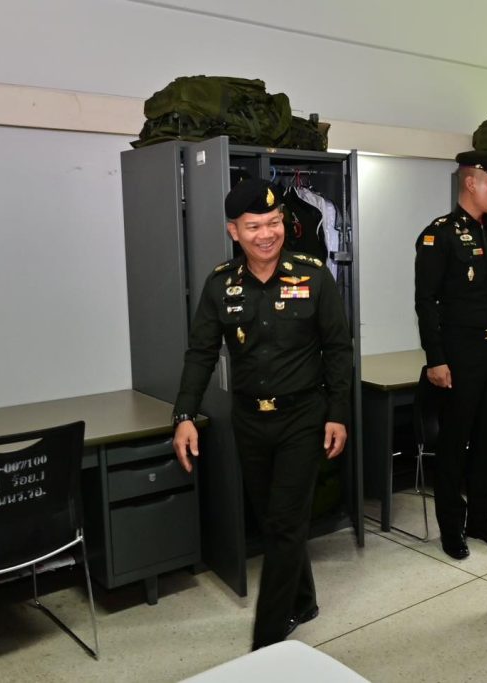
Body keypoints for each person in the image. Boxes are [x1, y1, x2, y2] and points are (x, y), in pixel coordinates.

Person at [171, 178, 353, 650]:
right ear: (234, 231)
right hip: (249, 421)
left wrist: (337, 413)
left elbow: (337, 349)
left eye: (274, 223)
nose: (267, 234)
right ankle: (304, 600)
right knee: (274, 520)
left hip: (303, 417)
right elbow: (200, 353)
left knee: (286, 524)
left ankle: (267, 643)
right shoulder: (220, 284)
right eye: (254, 226)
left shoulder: (314, 275)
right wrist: (184, 415)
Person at [414, 148, 487, 560]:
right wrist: (435, 358)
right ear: (471, 182)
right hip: (459, 355)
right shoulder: (439, 235)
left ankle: (481, 519)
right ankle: (452, 527)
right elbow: (426, 301)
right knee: (454, 442)